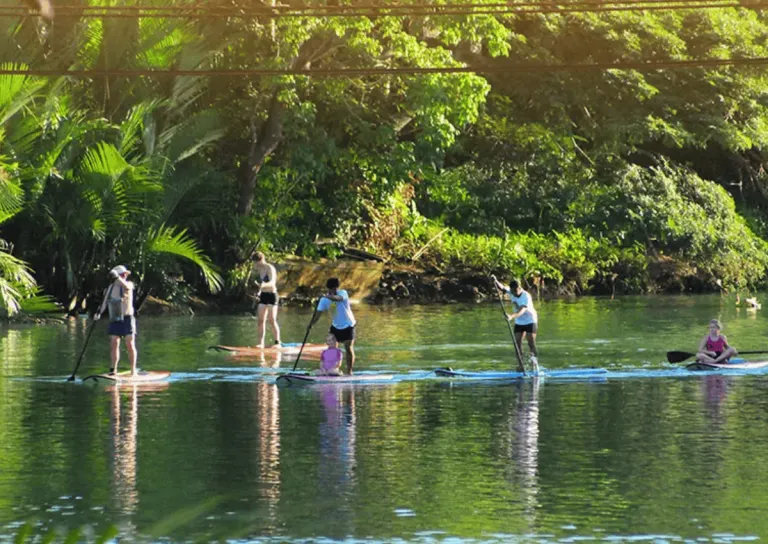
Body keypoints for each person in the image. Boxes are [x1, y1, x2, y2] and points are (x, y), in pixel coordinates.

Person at [308, 278, 356, 374]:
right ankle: (331, 369)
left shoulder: (343, 293)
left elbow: (338, 299)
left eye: (334, 289)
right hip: (335, 326)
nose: (333, 291)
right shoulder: (324, 300)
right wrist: (311, 324)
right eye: (331, 289)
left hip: (348, 325)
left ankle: (349, 372)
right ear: (328, 288)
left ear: (337, 288)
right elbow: (317, 314)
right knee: (331, 348)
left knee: (348, 348)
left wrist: (326, 296)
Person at [96, 265, 137, 375]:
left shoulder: (128, 284)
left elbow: (127, 287)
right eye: (122, 275)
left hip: (127, 318)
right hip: (115, 318)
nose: (124, 276)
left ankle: (133, 371)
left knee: (130, 343)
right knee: (114, 343)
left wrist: (118, 278)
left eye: (124, 275)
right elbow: (105, 302)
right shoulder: (110, 288)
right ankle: (113, 369)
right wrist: (99, 313)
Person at [492, 275, 539, 369]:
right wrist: (495, 280)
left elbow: (521, 311)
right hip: (519, 322)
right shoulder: (512, 292)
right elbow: (502, 288)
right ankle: (520, 365)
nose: (513, 293)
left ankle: (535, 364)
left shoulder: (526, 296)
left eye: (515, 291)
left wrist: (511, 316)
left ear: (520, 288)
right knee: (517, 344)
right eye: (512, 291)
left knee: (531, 343)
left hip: (530, 320)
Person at [252, 252, 282, 348]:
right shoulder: (259, 270)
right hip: (263, 295)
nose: (255, 265)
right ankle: (261, 343)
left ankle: (277, 342)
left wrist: (263, 285)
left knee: (272, 319)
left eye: (255, 262)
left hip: (272, 295)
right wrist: (258, 291)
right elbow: (260, 284)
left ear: (260, 260)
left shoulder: (270, 268)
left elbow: (272, 282)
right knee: (260, 320)